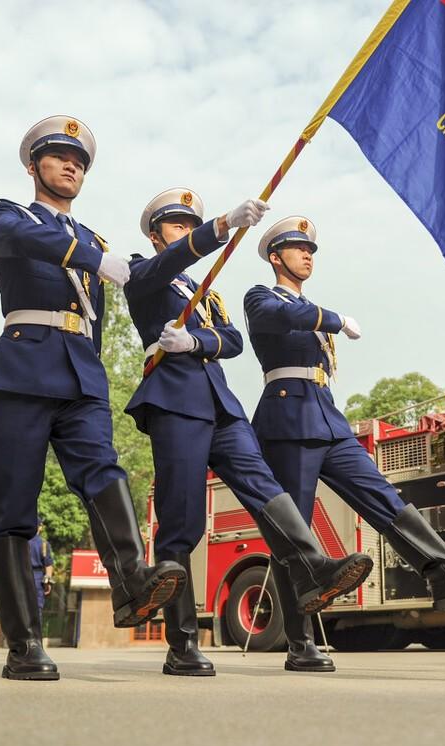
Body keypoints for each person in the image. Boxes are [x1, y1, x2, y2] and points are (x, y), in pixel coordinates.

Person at [243, 215, 445, 672]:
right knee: (296, 532)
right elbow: (279, 317)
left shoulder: (307, 309)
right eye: (297, 248)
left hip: (329, 418)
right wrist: (334, 318)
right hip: (287, 419)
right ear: (275, 256)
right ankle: (301, 643)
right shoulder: (262, 297)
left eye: (311, 250)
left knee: (385, 498)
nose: (307, 255)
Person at [125, 189, 374, 677]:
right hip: (174, 404)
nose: (183, 232)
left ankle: (315, 564)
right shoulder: (145, 273)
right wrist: (217, 227)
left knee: (265, 489)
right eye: (176, 226)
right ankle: (180, 644)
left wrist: (195, 339)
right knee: (182, 522)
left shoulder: (206, 291)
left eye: (188, 224)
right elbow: (173, 260)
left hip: (221, 405)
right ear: (156, 237)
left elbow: (234, 342)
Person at [0, 116, 187, 681]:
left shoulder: (95, 239)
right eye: (59, 156)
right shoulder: (9, 216)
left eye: (81, 161)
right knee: (12, 506)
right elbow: (26, 242)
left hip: (81, 373)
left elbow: (151, 272)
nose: (72, 165)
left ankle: (133, 582)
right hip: (24, 365)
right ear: (33, 166)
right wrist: (93, 260)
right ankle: (23, 643)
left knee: (103, 469)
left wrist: (214, 231)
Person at [28, 517, 54, 613]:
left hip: (21, 576)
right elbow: (48, 565)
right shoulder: (43, 544)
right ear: (40, 527)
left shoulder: (20, 542)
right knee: (36, 611)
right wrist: (47, 583)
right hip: (37, 578)